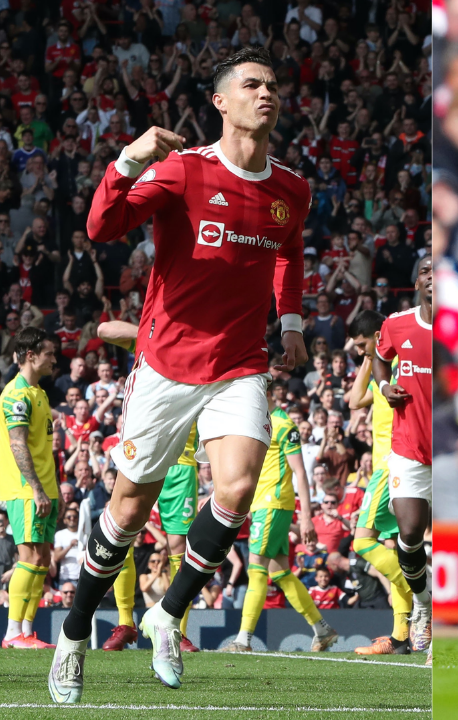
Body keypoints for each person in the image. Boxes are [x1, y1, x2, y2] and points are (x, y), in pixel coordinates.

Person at [49, 46, 309, 704]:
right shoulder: (183, 171)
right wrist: (129, 159)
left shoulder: (291, 190)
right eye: (251, 84)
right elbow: (102, 226)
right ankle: (74, 632)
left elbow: (289, 255)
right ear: (221, 102)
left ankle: (167, 615)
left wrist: (293, 325)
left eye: (272, 84)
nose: (266, 93)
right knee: (129, 509)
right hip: (165, 363)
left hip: (239, 362)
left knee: (239, 487)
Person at [95, 322, 201, 653]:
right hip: (141, 456)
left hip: (181, 465)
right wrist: (157, 334)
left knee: (177, 546)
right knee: (123, 532)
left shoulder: (204, 353)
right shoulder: (153, 345)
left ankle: (174, 630)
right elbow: (104, 330)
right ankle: (126, 622)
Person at [221, 390, 336, 653]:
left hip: (272, 505)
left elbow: (300, 472)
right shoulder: (261, 422)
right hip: (267, 505)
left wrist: (306, 517)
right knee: (280, 572)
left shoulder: (284, 425)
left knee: (257, 568)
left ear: (267, 394)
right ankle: (322, 629)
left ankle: (243, 639)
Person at [370, 263, 433, 664]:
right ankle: (424, 603)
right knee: (408, 536)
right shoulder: (397, 324)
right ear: (417, 282)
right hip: (408, 447)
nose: (433, 275)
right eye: (426, 270)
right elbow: (379, 360)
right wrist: (382, 384)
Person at [346, 310, 417, 655]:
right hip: (386, 465)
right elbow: (353, 400)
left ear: (377, 334)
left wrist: (377, 349)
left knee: (362, 542)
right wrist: (370, 354)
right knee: (393, 551)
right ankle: (402, 636)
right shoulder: (380, 366)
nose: (360, 351)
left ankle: (421, 593)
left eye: (362, 344)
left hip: (391, 464)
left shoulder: (402, 361)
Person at [1, 328, 59, 649]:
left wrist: (53, 489)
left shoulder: (39, 392)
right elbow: (17, 444)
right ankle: (12, 633)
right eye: (49, 353)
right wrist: (35, 488)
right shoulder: (16, 394)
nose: (54, 359)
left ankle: (26, 630)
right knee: (28, 556)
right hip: (26, 489)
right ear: (31, 355)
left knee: (42, 559)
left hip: (45, 487)